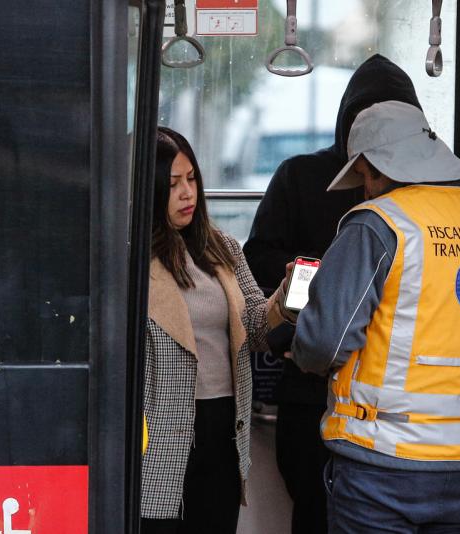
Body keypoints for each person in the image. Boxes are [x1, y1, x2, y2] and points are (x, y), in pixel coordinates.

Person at [291, 101, 460, 534]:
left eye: (362, 177)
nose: (364, 189)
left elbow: (325, 344)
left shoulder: (377, 225)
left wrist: (299, 332)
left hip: (379, 470)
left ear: (376, 167)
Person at [242, 54, 423, 534]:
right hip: (312, 391)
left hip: (392, 401)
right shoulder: (300, 176)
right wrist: (315, 289)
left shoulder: (429, 195)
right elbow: (257, 261)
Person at [140, 127, 292, 534]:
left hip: (225, 426)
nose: (187, 193)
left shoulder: (221, 248)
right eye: (172, 184)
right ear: (147, 189)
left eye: (192, 179)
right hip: (162, 433)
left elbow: (257, 328)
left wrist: (286, 295)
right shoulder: (131, 257)